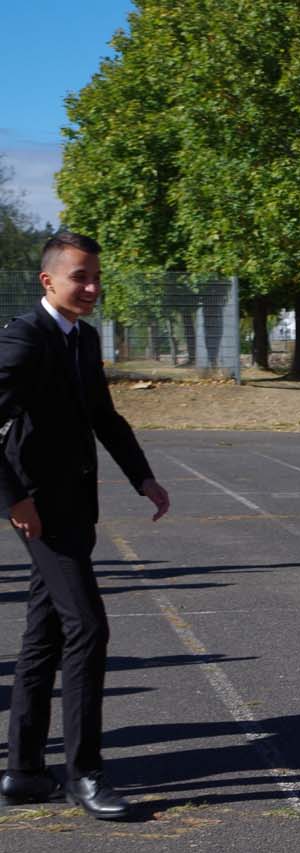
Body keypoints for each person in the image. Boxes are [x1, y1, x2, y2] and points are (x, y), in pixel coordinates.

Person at [0, 231, 170, 820]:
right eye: (81, 278)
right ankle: (84, 774)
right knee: (89, 629)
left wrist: (142, 477)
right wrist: (14, 500)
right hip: (41, 511)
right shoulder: (24, 338)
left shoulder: (83, 337)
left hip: (76, 506)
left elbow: (103, 416)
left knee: (43, 634)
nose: (93, 288)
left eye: (97, 277)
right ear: (48, 281)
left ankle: (24, 771)